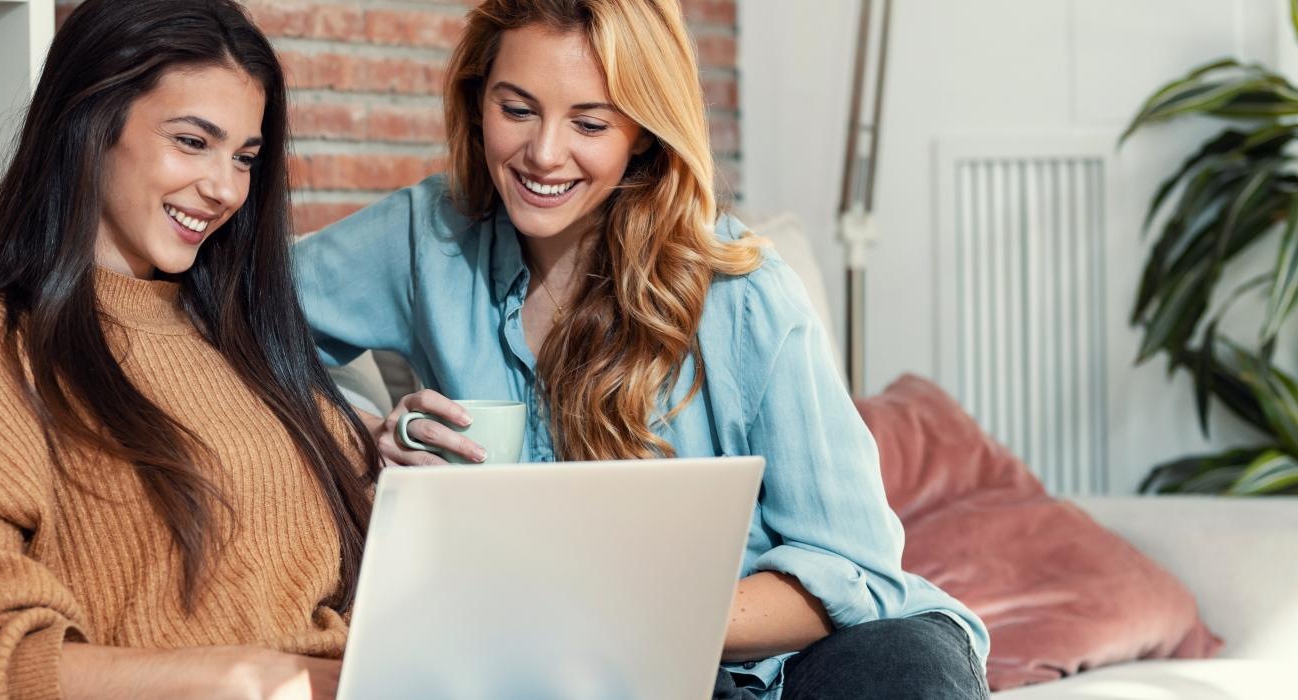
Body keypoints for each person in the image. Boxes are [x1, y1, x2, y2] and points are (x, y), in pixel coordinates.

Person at [291, 0, 989, 697]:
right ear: (478, 103)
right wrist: (361, 437)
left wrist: (631, 615)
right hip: (589, 674)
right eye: (517, 109)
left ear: (643, 135)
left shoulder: (744, 293)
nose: (543, 153)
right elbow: (250, 315)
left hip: (790, 660)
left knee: (905, 673)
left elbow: (856, 568)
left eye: (590, 123)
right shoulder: (430, 238)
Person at [0, 1, 378, 698]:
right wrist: (238, 678)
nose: (225, 188)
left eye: (244, 157)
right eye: (193, 142)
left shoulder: (252, 349)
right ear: (92, 123)